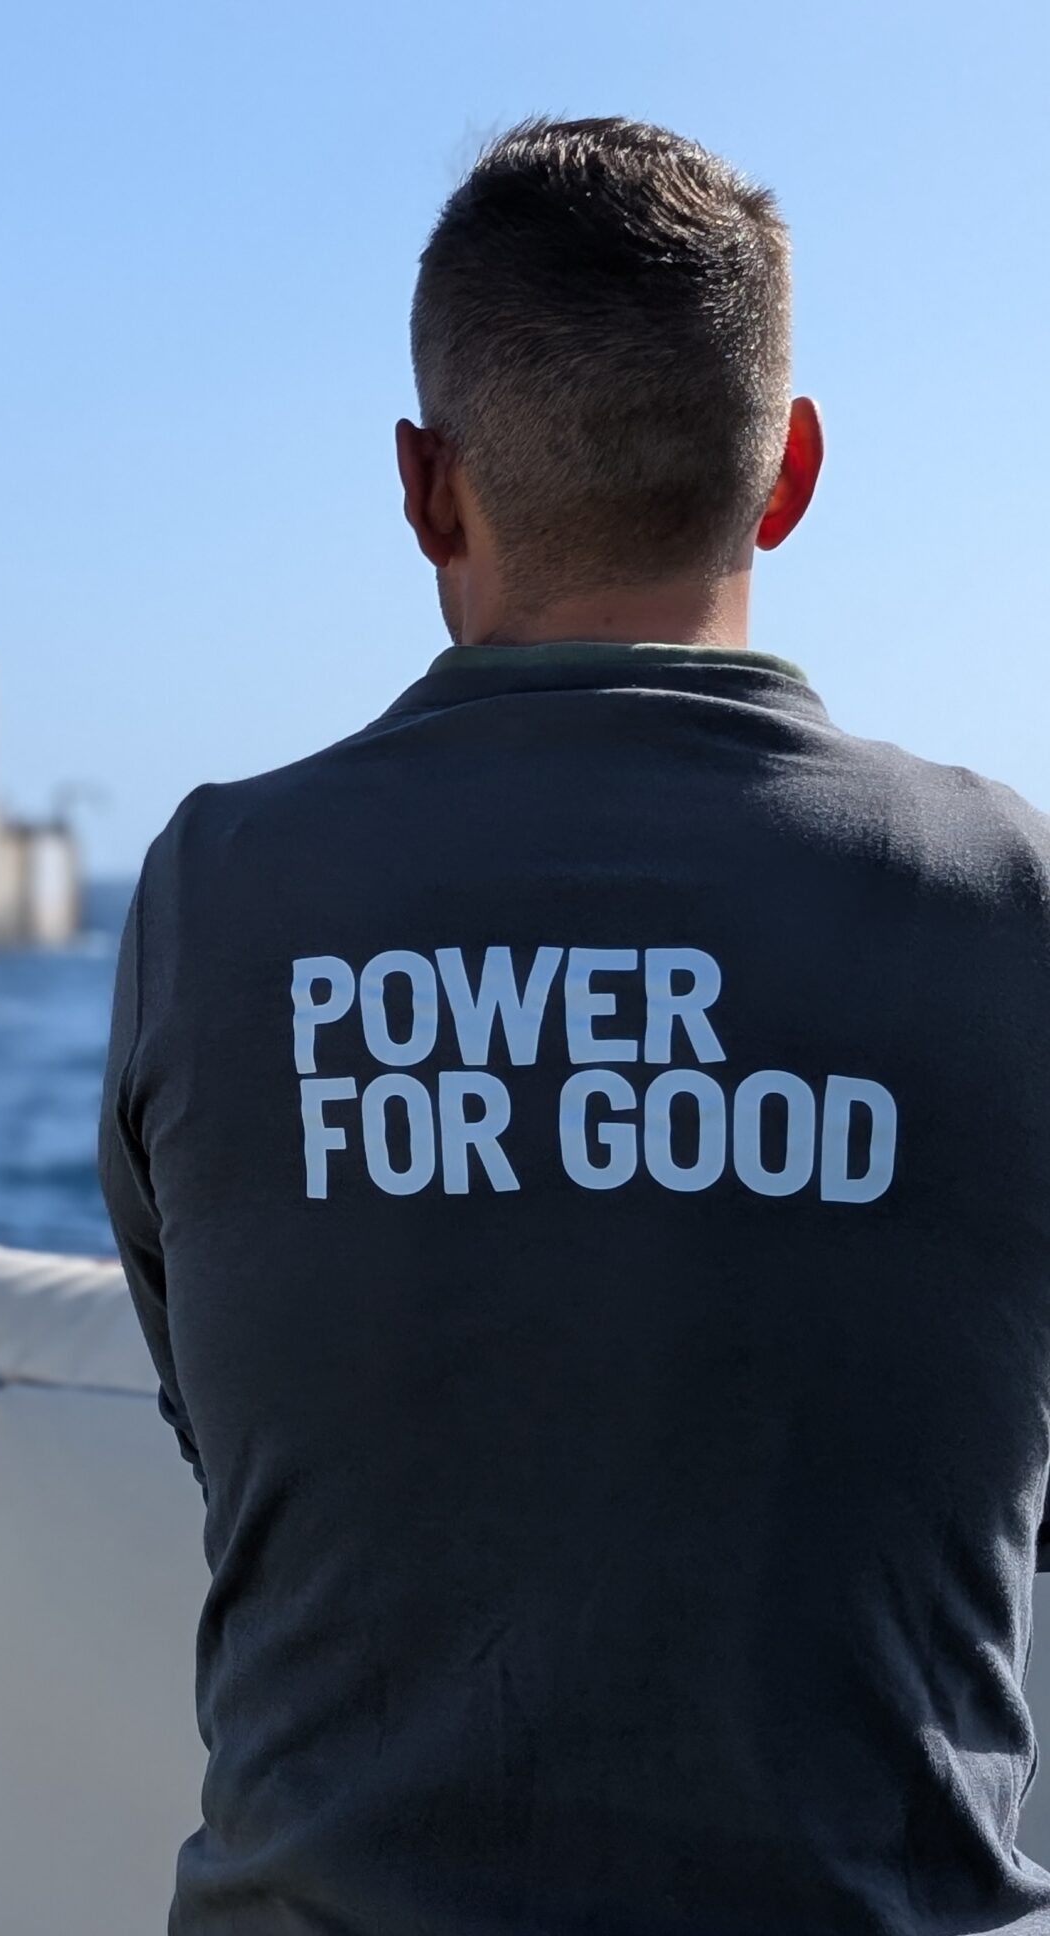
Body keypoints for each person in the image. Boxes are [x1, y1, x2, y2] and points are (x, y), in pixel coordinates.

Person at [100, 116, 1050, 1936]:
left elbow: (227, 1420)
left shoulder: (219, 890)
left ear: (425, 489)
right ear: (789, 475)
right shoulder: (1014, 897)